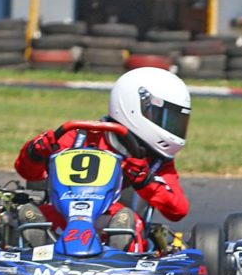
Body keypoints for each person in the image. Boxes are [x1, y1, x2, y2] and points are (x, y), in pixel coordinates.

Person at [14, 67, 192, 251]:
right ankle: (38, 248)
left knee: (126, 220)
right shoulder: (78, 137)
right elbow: (29, 173)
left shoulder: (156, 161)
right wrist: (35, 152)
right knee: (32, 215)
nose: (173, 128)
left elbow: (178, 209)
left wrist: (146, 181)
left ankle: (118, 255)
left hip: (113, 220)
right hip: (65, 215)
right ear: (133, 107)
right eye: (166, 119)